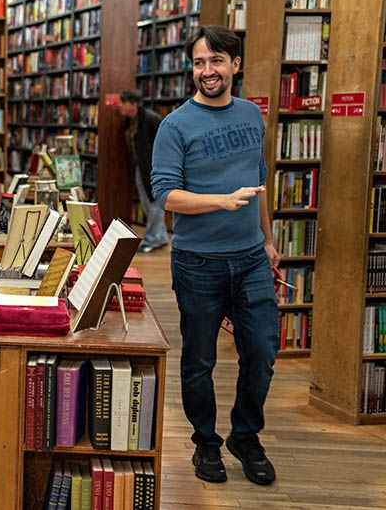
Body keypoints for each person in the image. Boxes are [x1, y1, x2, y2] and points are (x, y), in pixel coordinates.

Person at [151, 25, 280, 487]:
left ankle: (246, 436)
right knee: (199, 361)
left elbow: (259, 180)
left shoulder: (251, 114)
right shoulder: (175, 125)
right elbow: (165, 196)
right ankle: (206, 443)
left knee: (262, 352)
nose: (207, 71)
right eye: (199, 62)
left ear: (235, 65)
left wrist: (267, 239)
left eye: (217, 61)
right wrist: (221, 201)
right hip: (198, 262)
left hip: (250, 259)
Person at [118, 89, 168, 252]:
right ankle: (160, 237)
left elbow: (166, 138)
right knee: (147, 204)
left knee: (154, 203)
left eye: (123, 102)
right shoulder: (130, 120)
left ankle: (151, 240)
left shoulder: (150, 119)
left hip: (153, 168)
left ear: (133, 104)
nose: (120, 106)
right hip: (141, 166)